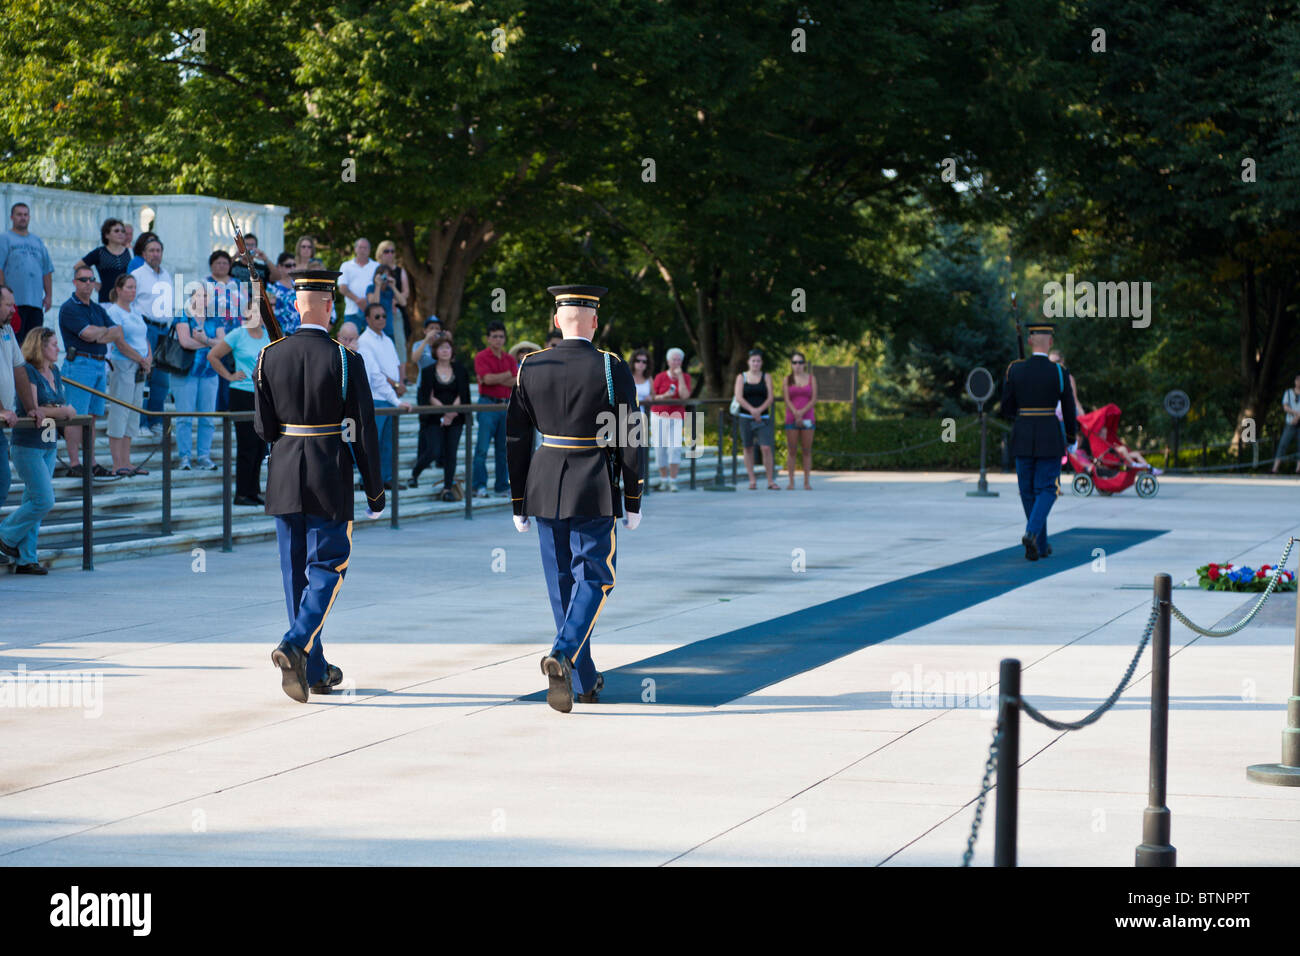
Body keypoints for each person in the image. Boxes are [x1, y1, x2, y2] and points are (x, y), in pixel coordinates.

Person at [506, 285, 643, 712]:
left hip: (545, 478)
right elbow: (630, 435)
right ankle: (563, 654)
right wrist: (634, 495)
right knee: (598, 576)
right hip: (592, 481)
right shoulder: (609, 367)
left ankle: (582, 680)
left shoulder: (530, 365)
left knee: (561, 582)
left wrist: (518, 499)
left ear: (555, 320)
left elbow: (515, 436)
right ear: (595, 321)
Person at [254, 269, 385, 702]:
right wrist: (375, 489)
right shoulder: (347, 359)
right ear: (330, 306)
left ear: (295, 305)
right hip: (328, 469)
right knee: (328, 566)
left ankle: (312, 667)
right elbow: (364, 430)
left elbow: (264, 427)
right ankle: (294, 645)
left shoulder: (268, 356)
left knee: (294, 573)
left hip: (286, 469)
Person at [1000, 322, 1079, 560]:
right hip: (1049, 436)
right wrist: (1071, 437)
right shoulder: (1058, 372)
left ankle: (1039, 543)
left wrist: (1024, 411)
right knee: (1047, 489)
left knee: (1028, 492)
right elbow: (1068, 408)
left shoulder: (1014, 369)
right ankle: (1033, 534)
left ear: (1030, 341)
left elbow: (1006, 408)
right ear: (1050, 342)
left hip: (1023, 434)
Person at [0, 328, 75, 574]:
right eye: (53, 344)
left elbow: (54, 404)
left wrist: (56, 409)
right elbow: (34, 408)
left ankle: (26, 559)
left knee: (34, 501)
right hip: (28, 444)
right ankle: (5, 535)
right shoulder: (29, 371)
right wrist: (60, 411)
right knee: (44, 499)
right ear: (40, 347)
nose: (58, 348)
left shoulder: (55, 371)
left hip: (49, 443)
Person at [208, 291, 270, 505]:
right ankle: (242, 493)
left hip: (264, 397)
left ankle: (254, 490)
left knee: (261, 446)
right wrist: (229, 375)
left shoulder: (268, 335)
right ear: (245, 313)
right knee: (248, 445)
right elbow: (213, 355)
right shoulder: (238, 334)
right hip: (242, 394)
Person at [58, 264, 121, 477]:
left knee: (92, 417)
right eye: (83, 279)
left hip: (98, 364)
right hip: (80, 364)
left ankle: (90, 462)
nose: (87, 283)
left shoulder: (97, 308)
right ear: (75, 282)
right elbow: (86, 334)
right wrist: (102, 332)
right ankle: (75, 464)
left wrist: (99, 333)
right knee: (76, 416)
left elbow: (117, 332)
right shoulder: (69, 307)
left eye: (90, 279)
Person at [356, 302, 411, 488]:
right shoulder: (364, 341)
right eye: (377, 316)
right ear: (367, 319)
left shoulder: (387, 339)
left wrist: (401, 383)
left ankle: (386, 478)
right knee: (373, 443)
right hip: (376, 398)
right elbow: (375, 374)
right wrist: (396, 388)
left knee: (388, 444)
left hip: (390, 397)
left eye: (384, 316)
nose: (381, 319)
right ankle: (367, 480)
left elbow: (396, 365)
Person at [411, 335, 470, 498]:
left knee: (451, 453)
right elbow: (428, 396)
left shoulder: (460, 369)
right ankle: (415, 472)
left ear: (452, 351)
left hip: (456, 417)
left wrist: (451, 414)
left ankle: (447, 489)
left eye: (448, 347)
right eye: (441, 348)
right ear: (435, 351)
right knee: (434, 450)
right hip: (434, 417)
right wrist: (444, 412)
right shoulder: (428, 371)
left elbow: (463, 393)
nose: (445, 350)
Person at [103, 274, 151, 476]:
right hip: (123, 364)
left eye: (134, 287)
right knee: (119, 412)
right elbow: (120, 342)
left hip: (139, 365)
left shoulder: (136, 310)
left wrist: (148, 357)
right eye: (129, 287)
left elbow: (144, 337)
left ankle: (127, 461)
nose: (133, 290)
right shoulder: (114, 311)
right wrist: (140, 359)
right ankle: (117, 463)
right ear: (119, 289)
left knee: (133, 412)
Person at [171, 285, 222, 471]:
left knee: (207, 417)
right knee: (185, 417)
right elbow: (185, 342)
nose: (204, 298)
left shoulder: (214, 318)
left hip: (209, 372)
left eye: (207, 295)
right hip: (186, 371)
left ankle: (203, 456)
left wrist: (203, 341)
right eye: (199, 294)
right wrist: (210, 344)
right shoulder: (183, 314)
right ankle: (184, 457)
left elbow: (224, 343)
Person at [130, 236, 172, 438]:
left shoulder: (167, 275)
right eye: (151, 250)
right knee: (144, 375)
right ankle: (141, 422)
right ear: (144, 254)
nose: (155, 254)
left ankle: (155, 420)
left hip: (165, 330)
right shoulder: (136, 275)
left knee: (162, 380)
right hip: (145, 329)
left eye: (158, 250)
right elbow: (129, 302)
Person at [472, 320, 517, 498]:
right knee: (482, 449)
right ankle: (479, 486)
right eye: (494, 336)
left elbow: (515, 381)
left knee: (503, 449)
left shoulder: (509, 358)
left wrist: (496, 378)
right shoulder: (481, 357)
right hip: (487, 404)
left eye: (501, 336)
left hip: (505, 405)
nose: (498, 340)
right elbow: (487, 379)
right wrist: (506, 376)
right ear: (488, 339)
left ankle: (501, 486)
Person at [0, 203, 54, 342]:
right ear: (12, 217)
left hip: (35, 304)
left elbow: (47, 270)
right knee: (13, 342)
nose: (23, 218)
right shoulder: (5, 239)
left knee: (34, 344)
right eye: (19, 214)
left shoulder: (38, 241)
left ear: (29, 217)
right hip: (13, 304)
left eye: (25, 215)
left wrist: (48, 296)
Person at [734, 348, 777, 489]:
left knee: (765, 447)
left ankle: (770, 480)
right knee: (748, 447)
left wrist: (759, 410)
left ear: (761, 363)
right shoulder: (741, 377)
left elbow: (770, 397)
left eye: (758, 361)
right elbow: (739, 397)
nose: (756, 363)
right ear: (748, 362)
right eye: (753, 361)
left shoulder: (766, 377)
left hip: (763, 416)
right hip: (746, 416)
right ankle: (752, 480)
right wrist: (752, 410)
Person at [650, 347, 692, 492]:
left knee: (675, 448)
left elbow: (685, 396)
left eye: (679, 359)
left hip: (676, 416)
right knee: (659, 449)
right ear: (668, 361)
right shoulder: (660, 376)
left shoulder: (685, 377)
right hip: (659, 416)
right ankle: (664, 480)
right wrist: (665, 396)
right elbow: (653, 396)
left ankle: (673, 481)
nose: (676, 362)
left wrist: (679, 377)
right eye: (674, 359)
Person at [208, 250, 244, 413]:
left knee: (234, 371)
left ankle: (231, 408)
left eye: (225, 263)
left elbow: (245, 308)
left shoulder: (237, 283)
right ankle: (218, 409)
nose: (222, 266)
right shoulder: (205, 284)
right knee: (218, 371)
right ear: (211, 265)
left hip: (237, 334)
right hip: (216, 335)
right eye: (218, 263)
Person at [0, 286, 23, 523]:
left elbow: (19, 368)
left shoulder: (7, 329)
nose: (13, 310)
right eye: (8, 305)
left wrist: (32, 406)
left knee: (2, 482)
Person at [76, 218, 133, 303]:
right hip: (106, 300)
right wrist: (93, 283)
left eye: (122, 231)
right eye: (116, 231)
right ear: (107, 235)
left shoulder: (130, 252)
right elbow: (78, 267)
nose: (120, 233)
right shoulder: (100, 252)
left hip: (127, 302)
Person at [783, 351, 818, 490]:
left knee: (806, 450)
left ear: (804, 364)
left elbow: (814, 398)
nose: (797, 365)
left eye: (800, 362)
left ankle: (806, 481)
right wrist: (796, 413)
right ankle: (791, 481)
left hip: (808, 417)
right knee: (791, 451)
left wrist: (802, 413)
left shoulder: (811, 379)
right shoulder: (787, 379)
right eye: (794, 362)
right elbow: (786, 399)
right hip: (791, 417)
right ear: (791, 365)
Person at [338, 238, 377, 329]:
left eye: (365, 248)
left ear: (369, 250)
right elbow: (342, 288)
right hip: (352, 312)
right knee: (350, 341)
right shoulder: (345, 266)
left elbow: (380, 287)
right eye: (360, 247)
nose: (362, 250)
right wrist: (358, 300)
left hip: (373, 313)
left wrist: (367, 301)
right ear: (355, 249)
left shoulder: (376, 266)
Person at [1271, 374, 1300, 475]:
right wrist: (1296, 414)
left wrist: (1298, 417)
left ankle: (1298, 469)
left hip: (1297, 421)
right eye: (1298, 380)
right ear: (1295, 381)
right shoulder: (1288, 393)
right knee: (1283, 444)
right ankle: (1275, 468)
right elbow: (1285, 407)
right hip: (1290, 422)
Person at [270, 252, 301, 336]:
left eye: (294, 265)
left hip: (300, 333)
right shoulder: (272, 289)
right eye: (288, 265)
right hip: (281, 334)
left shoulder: (299, 286)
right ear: (279, 267)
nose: (292, 268)